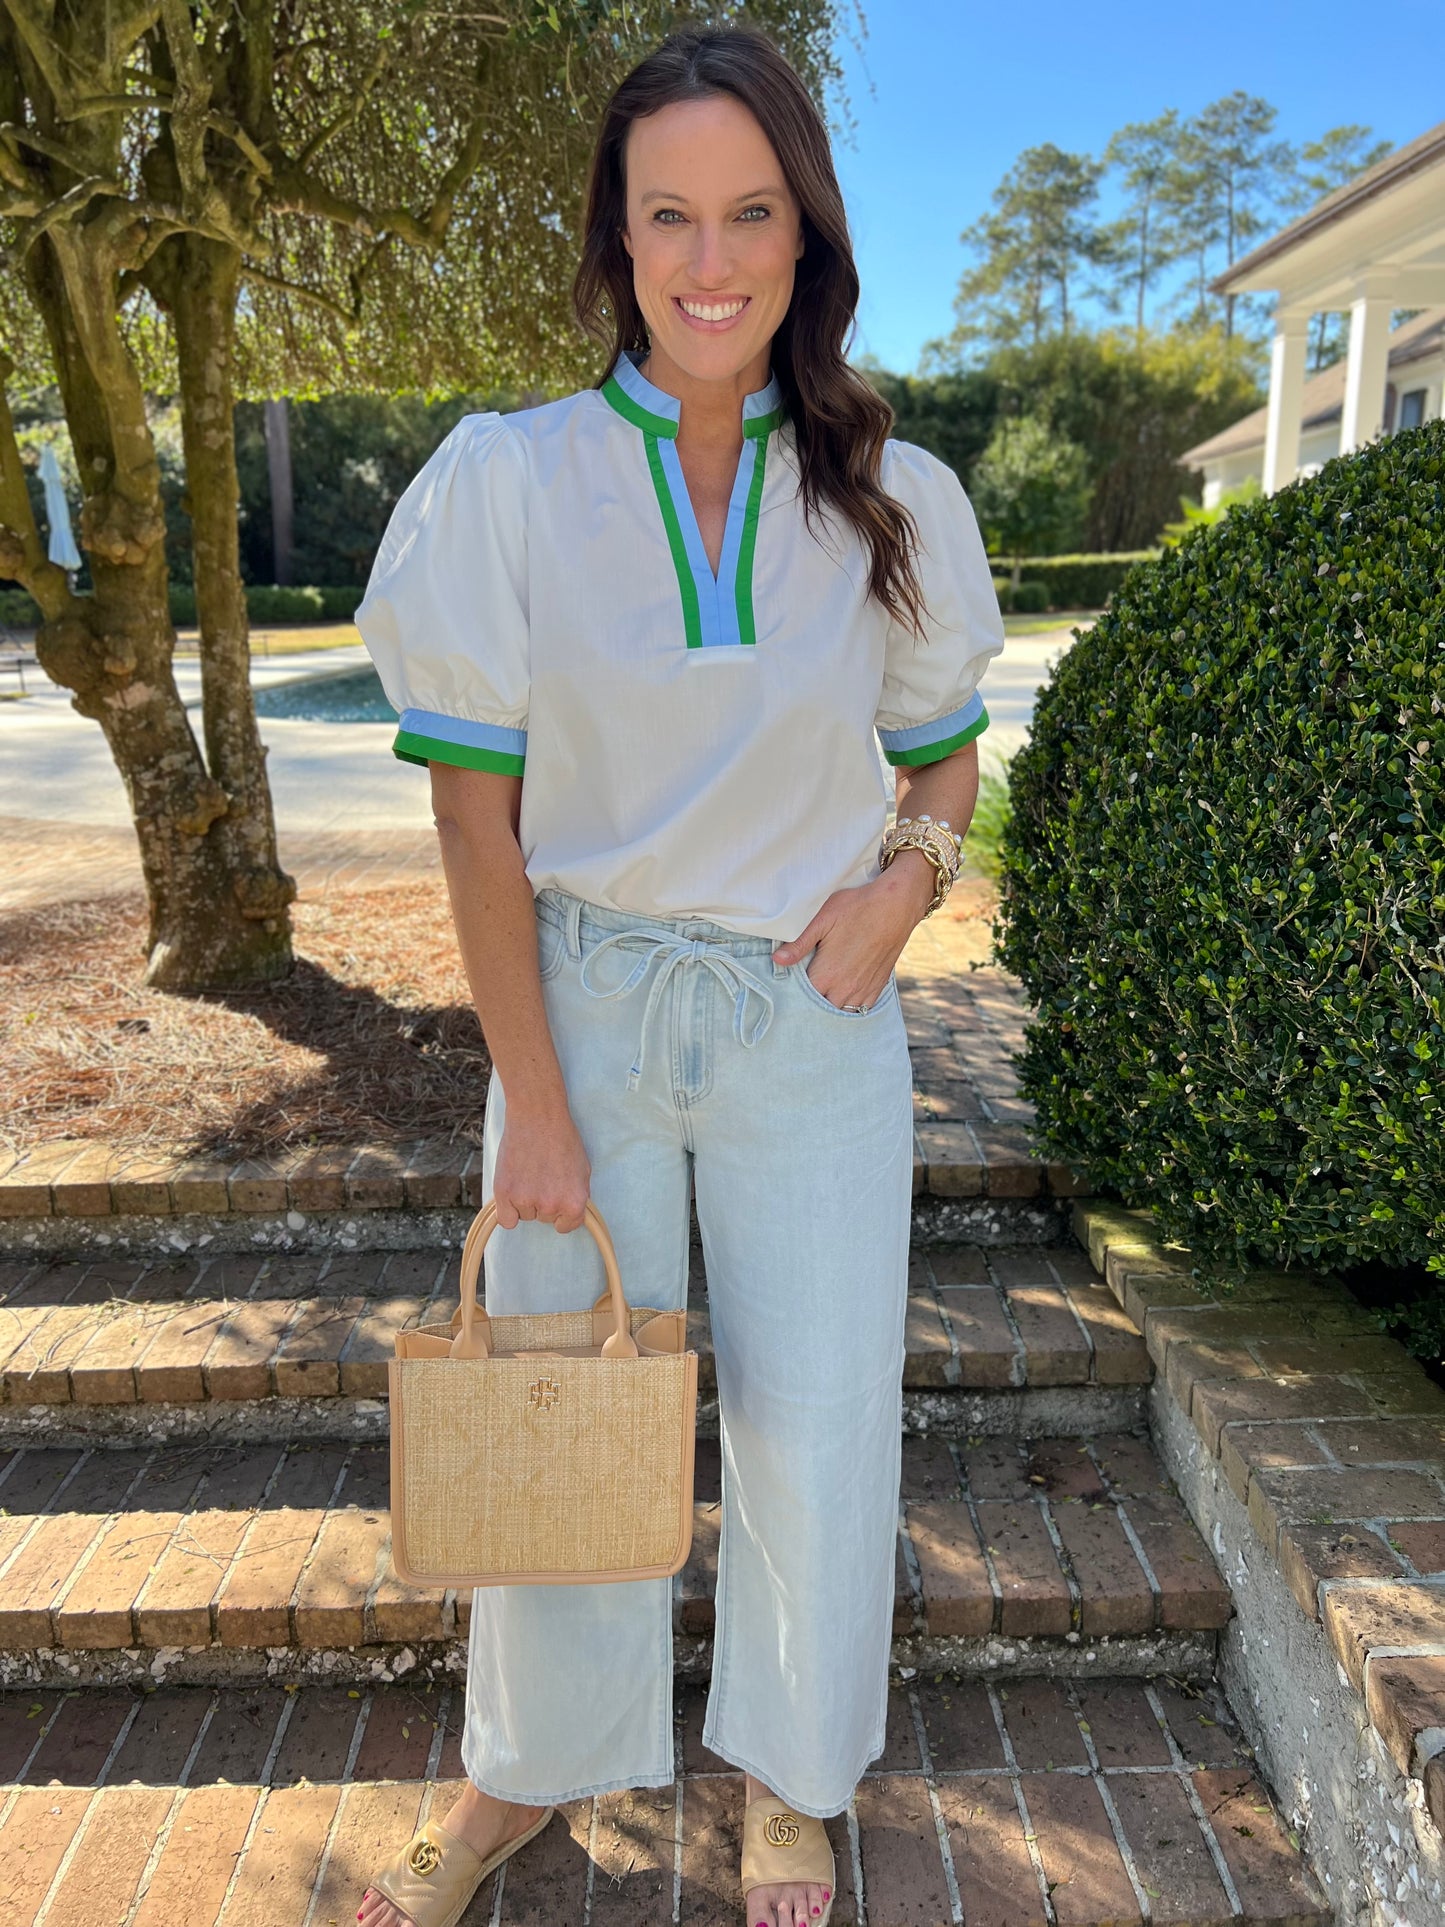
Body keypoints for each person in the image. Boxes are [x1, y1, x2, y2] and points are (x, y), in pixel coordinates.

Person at [353, 25, 1003, 1927]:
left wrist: (905, 890)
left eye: (750, 216)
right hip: (584, 1016)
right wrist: (535, 1102)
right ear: (616, 243)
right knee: (553, 1400)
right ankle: (523, 1776)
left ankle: (791, 1777)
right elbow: (476, 824)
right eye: (667, 220)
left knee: (815, 1419)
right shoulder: (511, 483)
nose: (709, 263)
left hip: (810, 1020)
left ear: (803, 241)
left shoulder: (889, 494)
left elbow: (941, 745)